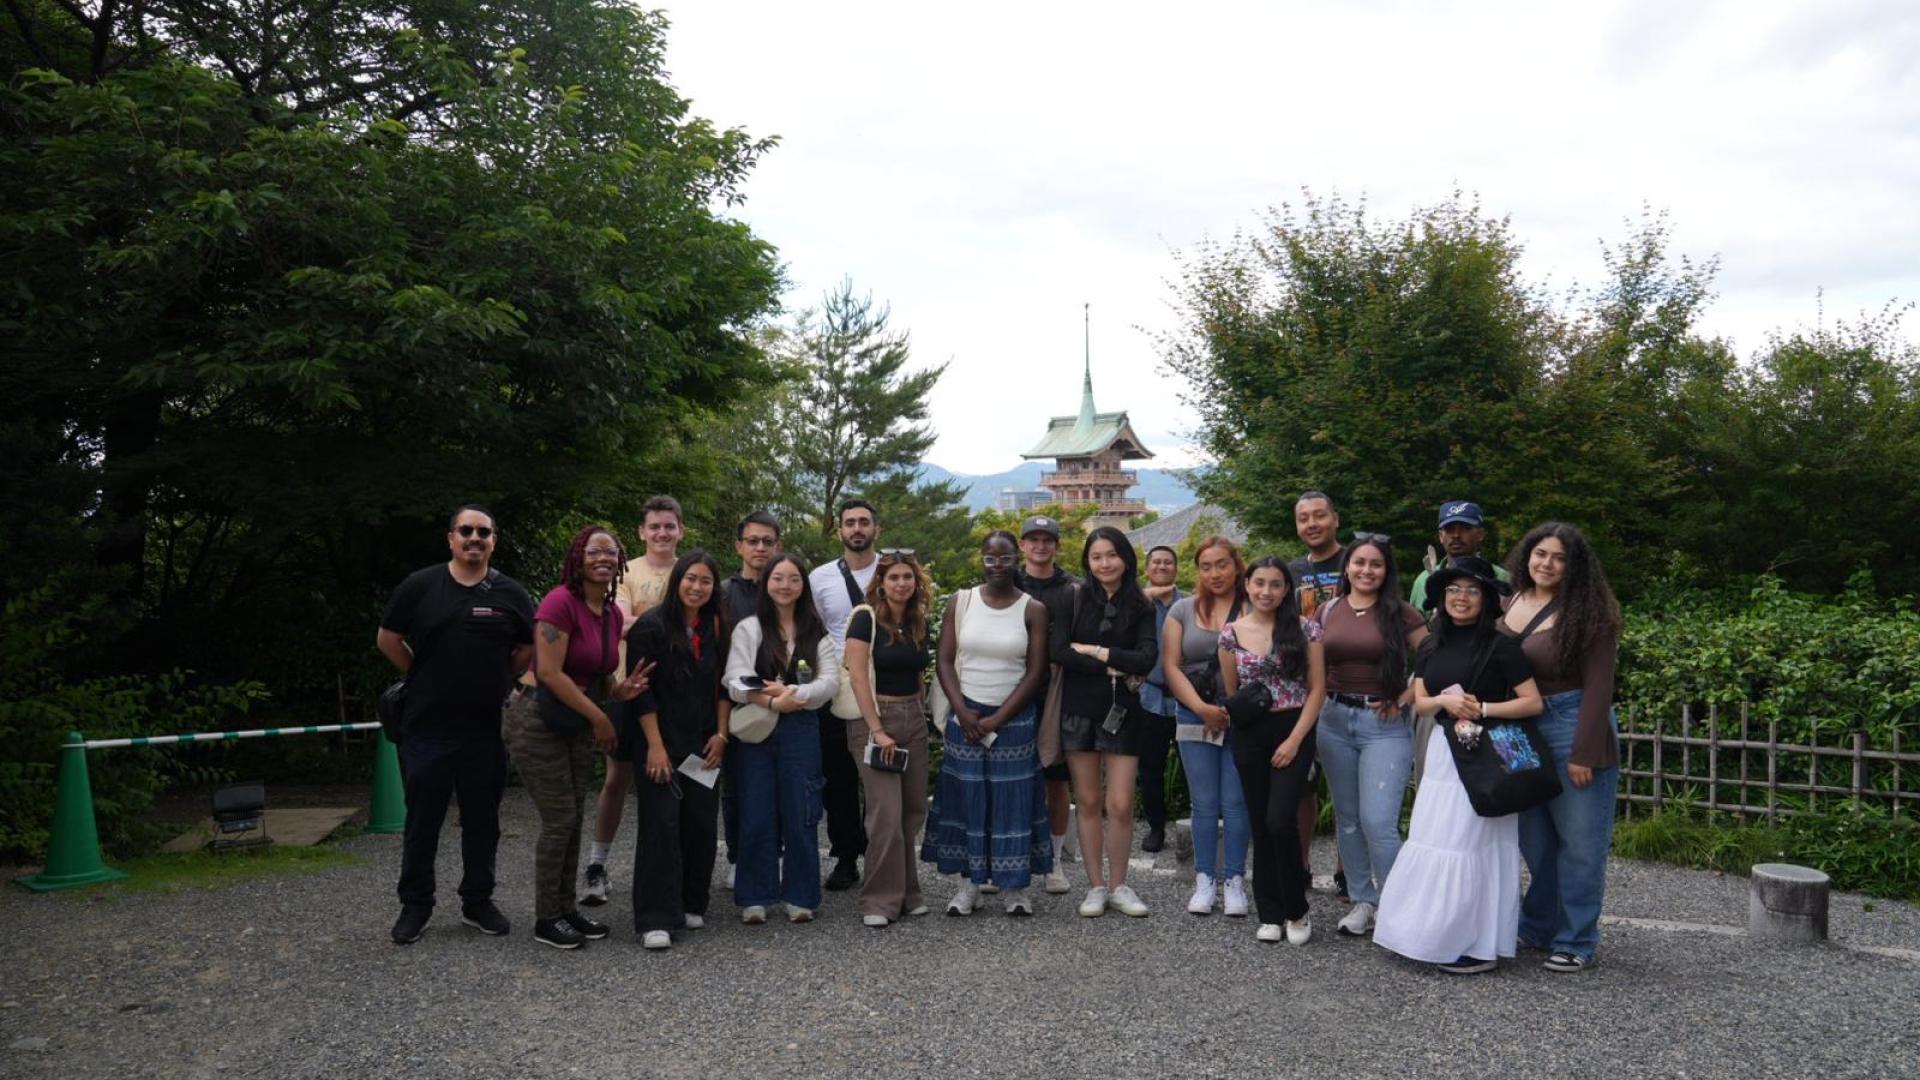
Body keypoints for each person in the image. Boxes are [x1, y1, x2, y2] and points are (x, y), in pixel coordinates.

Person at [1374, 556, 1543, 974]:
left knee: (1474, 845)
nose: (1461, 597)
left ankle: (1478, 945)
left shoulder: (1502, 646)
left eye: (1471, 590)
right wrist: (1447, 702)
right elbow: (1424, 698)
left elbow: (1532, 702)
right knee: (1436, 838)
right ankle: (1429, 934)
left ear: (1486, 598)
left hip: (1487, 757)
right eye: (1453, 589)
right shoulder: (1432, 643)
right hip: (1445, 753)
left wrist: (1482, 707)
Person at [378, 506, 536, 946]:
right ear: (450, 538)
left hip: (485, 729)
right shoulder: (420, 586)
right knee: (422, 819)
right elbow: (387, 638)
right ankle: (415, 904)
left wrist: (502, 677)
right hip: (426, 727)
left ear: (493, 541)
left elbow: (526, 646)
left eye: (483, 532)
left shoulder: (511, 593)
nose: (474, 538)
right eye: (465, 530)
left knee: (483, 820)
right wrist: (420, 673)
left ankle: (477, 901)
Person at [504, 526, 653, 949]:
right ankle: (546, 918)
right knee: (559, 821)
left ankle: (566, 909)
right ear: (578, 557)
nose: (603, 557)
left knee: (573, 817)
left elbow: (596, 672)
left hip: (573, 719)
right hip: (536, 716)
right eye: (594, 551)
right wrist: (602, 720)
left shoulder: (609, 614)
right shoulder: (559, 602)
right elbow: (550, 672)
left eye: (611, 551)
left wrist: (618, 693)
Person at [1503, 522, 1622, 973]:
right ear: (1526, 556)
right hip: (1521, 730)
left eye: (1558, 557)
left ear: (1574, 567)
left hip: (1571, 723)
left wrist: (1584, 753)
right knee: (1533, 838)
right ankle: (1537, 925)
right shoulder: (1510, 601)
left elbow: (1598, 689)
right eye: (1540, 554)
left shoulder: (1592, 615)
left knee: (1579, 843)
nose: (1546, 564)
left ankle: (1576, 939)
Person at [925, 531, 1053, 915]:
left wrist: (1000, 716)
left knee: (1013, 801)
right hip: (966, 716)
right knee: (967, 799)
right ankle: (969, 885)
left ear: (1017, 559)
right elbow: (944, 660)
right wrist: (962, 709)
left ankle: (1016, 889)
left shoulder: (1033, 608)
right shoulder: (960, 602)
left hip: (1013, 717)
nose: (998, 565)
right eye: (990, 558)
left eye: (1005, 558)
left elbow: (1036, 671)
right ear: (981, 560)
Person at [1314, 533, 1428, 938]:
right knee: (1347, 820)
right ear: (1346, 567)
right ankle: (1364, 899)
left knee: (1378, 820)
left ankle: (1400, 905)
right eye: (1359, 563)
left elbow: (1438, 655)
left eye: (1375, 564)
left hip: (1384, 725)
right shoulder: (1328, 611)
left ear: (1386, 571)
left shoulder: (1400, 612)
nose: (1366, 570)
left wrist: (1409, 693)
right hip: (1333, 719)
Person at [723, 552, 840, 923]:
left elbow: (830, 682)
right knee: (755, 811)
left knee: (802, 812)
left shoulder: (814, 631)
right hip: (758, 728)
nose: (785, 586)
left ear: (803, 585)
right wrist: (775, 701)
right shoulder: (749, 628)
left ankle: (801, 895)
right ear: (766, 583)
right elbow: (734, 679)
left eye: (792, 579)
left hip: (802, 730)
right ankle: (755, 896)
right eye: (777, 578)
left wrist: (795, 697)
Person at [581, 494, 684, 907]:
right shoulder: (624, 571)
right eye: (654, 526)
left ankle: (675, 873)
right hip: (627, 690)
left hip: (677, 698)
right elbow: (618, 621)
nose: (662, 532)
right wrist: (664, 619)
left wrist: (645, 616)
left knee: (676, 786)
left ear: (681, 530)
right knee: (616, 781)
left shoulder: (688, 570)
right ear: (641, 532)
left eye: (669, 526)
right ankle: (596, 866)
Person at [624, 550, 728, 950]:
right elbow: (640, 693)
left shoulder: (715, 628)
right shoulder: (650, 627)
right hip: (660, 741)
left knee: (700, 822)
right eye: (691, 579)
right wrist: (654, 746)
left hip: (702, 742)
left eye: (705, 581)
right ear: (677, 580)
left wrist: (721, 735)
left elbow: (722, 686)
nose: (697, 587)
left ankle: (690, 901)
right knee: (661, 825)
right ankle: (655, 918)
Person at [1218, 557, 1327, 944]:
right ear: (1246, 585)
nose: (1267, 591)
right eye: (1259, 583)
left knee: (1282, 819)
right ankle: (1270, 912)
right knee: (1261, 824)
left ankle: (1297, 908)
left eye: (1276, 584)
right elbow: (1234, 693)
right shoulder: (1230, 633)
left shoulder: (1306, 629)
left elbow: (1317, 689)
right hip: (1250, 732)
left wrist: (1296, 740)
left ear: (1287, 590)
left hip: (1293, 727)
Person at [1053, 526, 1160, 918]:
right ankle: (1096, 886)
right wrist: (1114, 664)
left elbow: (1147, 658)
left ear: (1126, 558)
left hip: (1124, 712)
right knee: (1089, 801)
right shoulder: (1074, 597)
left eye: (1111, 555)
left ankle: (1120, 884)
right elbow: (1060, 650)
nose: (1104, 563)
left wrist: (1097, 651)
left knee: (1120, 803)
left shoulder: (1141, 604)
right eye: (1096, 557)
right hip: (1079, 707)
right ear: (1087, 561)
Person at [842, 549, 935, 926]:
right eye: (894, 577)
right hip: (874, 719)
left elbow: (919, 674)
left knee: (913, 810)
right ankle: (878, 901)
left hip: (913, 717)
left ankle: (908, 891)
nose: (901, 584)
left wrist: (923, 715)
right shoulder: (865, 620)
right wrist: (877, 729)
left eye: (907, 577)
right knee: (885, 814)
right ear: (880, 582)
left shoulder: (917, 621)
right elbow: (857, 675)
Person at [1160, 536, 1251, 917]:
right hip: (1192, 714)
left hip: (1242, 716)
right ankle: (1204, 879)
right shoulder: (1182, 609)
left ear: (1236, 566)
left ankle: (1234, 880)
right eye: (1206, 566)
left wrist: (1228, 709)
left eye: (1222, 565)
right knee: (1203, 801)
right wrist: (1200, 706)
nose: (1215, 573)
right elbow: (1170, 666)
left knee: (1235, 800)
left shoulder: (1252, 606)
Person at [809, 499, 879, 892]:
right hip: (836, 684)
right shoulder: (820, 577)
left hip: (881, 683)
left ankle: (880, 855)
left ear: (876, 529)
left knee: (879, 776)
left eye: (864, 522)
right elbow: (815, 627)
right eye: (849, 523)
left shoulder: (893, 570)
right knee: (838, 777)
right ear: (839, 531)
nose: (857, 528)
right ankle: (845, 855)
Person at [1016, 513, 1080, 894]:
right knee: (1011, 779)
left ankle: (1054, 860)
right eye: (1033, 539)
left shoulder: (1074, 588)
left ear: (1057, 546)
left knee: (1056, 779)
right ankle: (1008, 855)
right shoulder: (1006, 584)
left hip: (1058, 690)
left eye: (1047, 540)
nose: (1040, 545)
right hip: (1010, 688)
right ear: (1022, 544)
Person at [718, 509, 783, 882]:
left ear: (778, 545)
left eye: (768, 541)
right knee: (736, 783)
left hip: (783, 700)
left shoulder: (787, 586)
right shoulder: (724, 594)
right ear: (739, 546)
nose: (760, 547)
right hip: (735, 701)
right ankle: (737, 858)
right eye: (753, 541)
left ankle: (775, 853)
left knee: (779, 784)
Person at [1286, 491, 1341, 890]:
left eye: (1319, 516)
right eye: (1304, 518)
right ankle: (1300, 865)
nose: (1312, 524)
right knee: (1302, 787)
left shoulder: (1358, 561)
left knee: (1345, 789)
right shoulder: (1291, 572)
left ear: (1334, 519)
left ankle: (1346, 870)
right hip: (1301, 691)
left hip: (1348, 688)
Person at [1134, 545, 1181, 854]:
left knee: (1193, 768)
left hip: (1185, 697)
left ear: (1176, 569)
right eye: (1156, 562)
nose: (1162, 566)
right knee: (1150, 767)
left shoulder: (1190, 603)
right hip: (1148, 695)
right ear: (1147, 569)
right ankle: (1156, 827)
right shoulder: (1137, 603)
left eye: (1168, 562)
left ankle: (1196, 829)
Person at [1407, 501, 1512, 617]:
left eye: (1465, 528)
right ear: (1441, 536)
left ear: (1480, 534)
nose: (1456, 535)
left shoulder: (1502, 578)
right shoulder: (1423, 580)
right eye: (1449, 529)